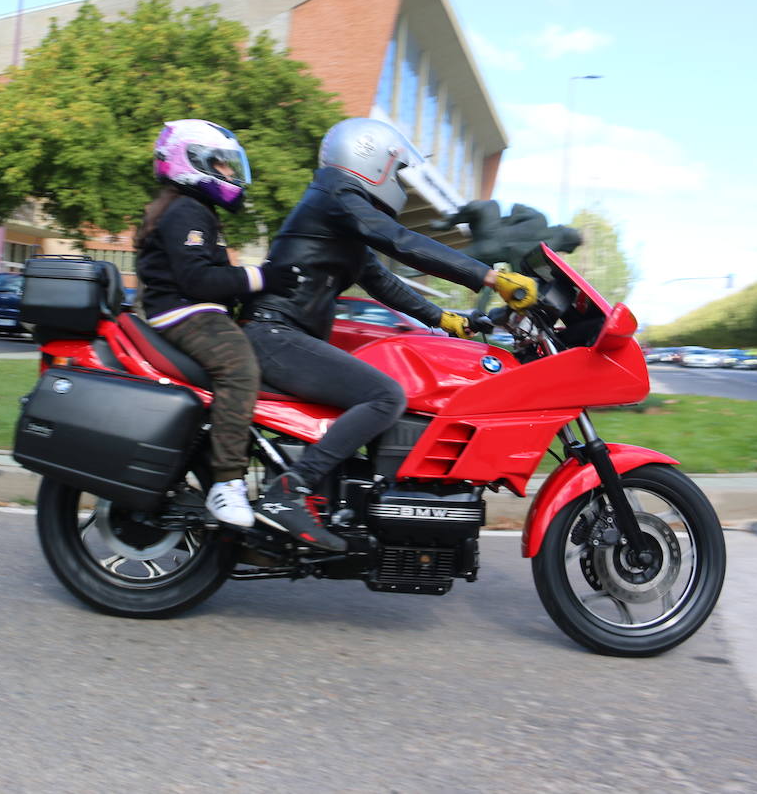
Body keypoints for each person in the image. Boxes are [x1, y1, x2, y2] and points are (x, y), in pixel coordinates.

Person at [241, 117, 539, 551]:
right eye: (396, 171)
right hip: (274, 335)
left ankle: (339, 502)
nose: (398, 183)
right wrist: (489, 277)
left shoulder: (336, 209)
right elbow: (397, 239)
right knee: (385, 396)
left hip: (282, 336)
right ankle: (290, 491)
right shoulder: (336, 194)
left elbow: (381, 281)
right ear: (371, 160)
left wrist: (444, 319)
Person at [135, 119, 300, 528]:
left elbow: (214, 279)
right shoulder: (186, 211)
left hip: (196, 309)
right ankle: (227, 484)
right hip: (183, 313)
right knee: (239, 369)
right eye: (222, 165)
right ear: (191, 161)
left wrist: (261, 286)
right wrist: (263, 276)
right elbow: (197, 280)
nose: (229, 174)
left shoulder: (194, 211)